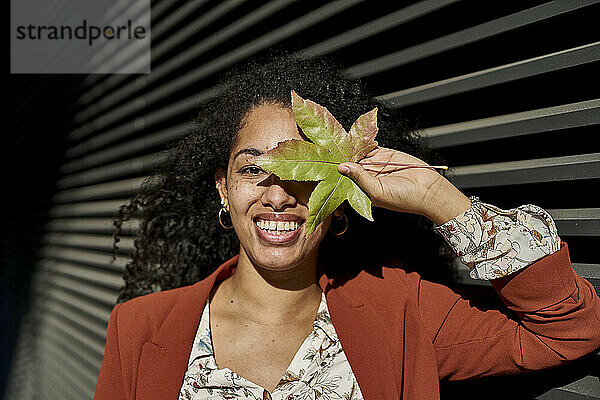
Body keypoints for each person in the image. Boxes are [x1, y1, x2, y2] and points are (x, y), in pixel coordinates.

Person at [94, 52, 600, 400]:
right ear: (223, 189)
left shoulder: (404, 311)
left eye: (306, 175)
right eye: (252, 170)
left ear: (341, 201)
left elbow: (567, 331)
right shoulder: (139, 328)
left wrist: (436, 198)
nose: (277, 196)